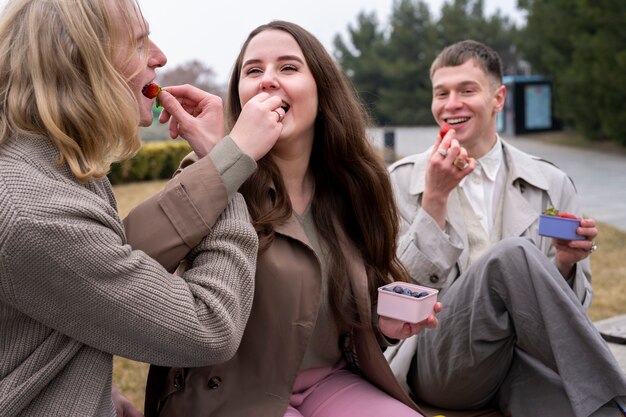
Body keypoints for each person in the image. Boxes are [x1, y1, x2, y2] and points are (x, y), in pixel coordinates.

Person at [130, 20, 441, 417]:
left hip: (329, 382)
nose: (267, 81)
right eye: (253, 71)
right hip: (234, 392)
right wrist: (228, 160)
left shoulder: (352, 186)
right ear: (239, 97)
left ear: (322, 91)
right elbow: (131, 253)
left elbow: (344, 314)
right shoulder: (210, 170)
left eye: (288, 68)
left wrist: (382, 324)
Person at [0, 0, 285, 415]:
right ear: (81, 63)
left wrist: (90, 389)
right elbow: (208, 327)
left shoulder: (52, 164)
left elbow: (63, 303)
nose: (159, 57)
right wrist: (227, 163)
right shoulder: (34, 210)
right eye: (138, 43)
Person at [386, 39, 626, 416]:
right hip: (439, 362)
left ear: (498, 99)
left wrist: (565, 264)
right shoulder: (399, 183)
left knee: (597, 410)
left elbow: (572, 311)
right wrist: (434, 200)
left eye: (467, 90)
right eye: (441, 93)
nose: (451, 104)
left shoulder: (552, 182)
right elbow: (392, 302)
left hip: (520, 361)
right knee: (512, 255)